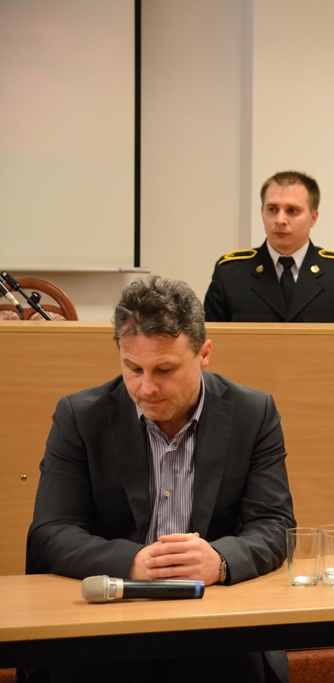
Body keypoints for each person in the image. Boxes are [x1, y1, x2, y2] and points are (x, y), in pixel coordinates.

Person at [26, 275, 296, 683]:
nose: (146, 387)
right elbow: (50, 532)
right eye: (133, 368)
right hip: (106, 626)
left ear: (204, 354)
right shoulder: (80, 417)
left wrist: (220, 560)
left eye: (165, 369)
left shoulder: (252, 413)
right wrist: (133, 563)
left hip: (215, 626)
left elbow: (275, 524)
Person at [204, 170, 334, 322]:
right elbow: (209, 342)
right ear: (262, 212)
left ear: (313, 218)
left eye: (292, 211)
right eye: (272, 209)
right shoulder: (230, 275)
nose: (280, 220)